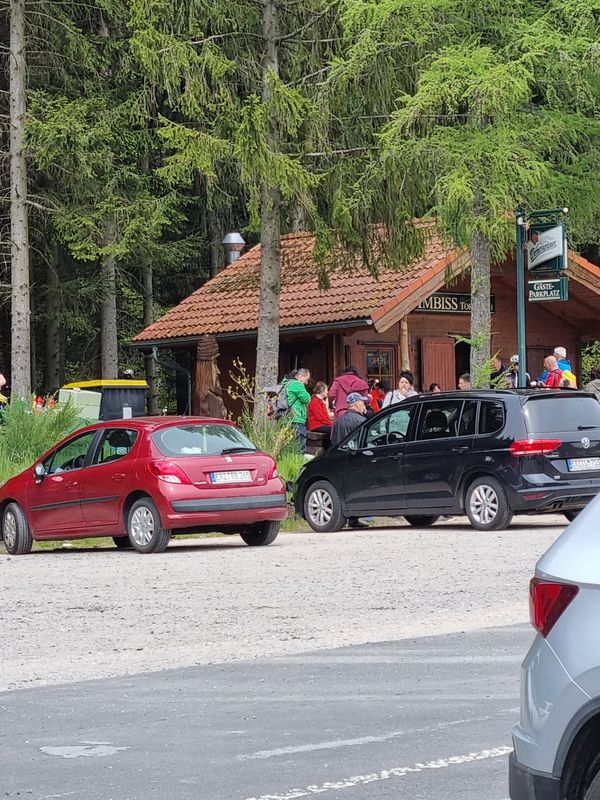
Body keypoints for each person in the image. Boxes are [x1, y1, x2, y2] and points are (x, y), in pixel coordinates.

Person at [331, 392, 370, 530]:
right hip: (356, 459)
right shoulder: (360, 421)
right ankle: (356, 517)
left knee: (344, 489)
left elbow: (333, 442)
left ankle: (349, 518)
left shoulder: (338, 422)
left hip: (340, 460)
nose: (364, 405)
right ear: (357, 403)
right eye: (363, 402)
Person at [285, 368, 311, 453]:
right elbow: (307, 399)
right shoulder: (297, 384)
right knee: (300, 448)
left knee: (288, 447)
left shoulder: (285, 383)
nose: (306, 383)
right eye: (306, 379)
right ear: (300, 376)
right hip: (296, 418)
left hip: (284, 419)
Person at [307, 381, 332, 448]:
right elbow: (320, 417)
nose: (327, 392)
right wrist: (331, 424)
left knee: (333, 429)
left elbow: (325, 416)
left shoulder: (320, 401)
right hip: (316, 425)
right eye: (326, 390)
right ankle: (328, 448)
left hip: (321, 424)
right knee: (333, 429)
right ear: (322, 391)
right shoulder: (315, 401)